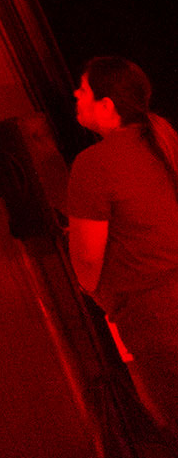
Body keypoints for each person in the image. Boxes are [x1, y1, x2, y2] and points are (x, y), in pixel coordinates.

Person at [68, 55, 178, 437]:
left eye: (82, 91)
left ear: (107, 105)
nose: (75, 96)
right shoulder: (167, 145)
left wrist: (105, 298)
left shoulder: (94, 164)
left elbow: (86, 261)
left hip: (158, 321)